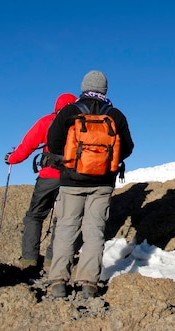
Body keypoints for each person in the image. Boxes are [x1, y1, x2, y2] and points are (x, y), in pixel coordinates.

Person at [46, 70, 134, 299]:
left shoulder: (69, 111)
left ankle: (58, 282)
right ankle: (88, 284)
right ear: (105, 89)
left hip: (71, 180)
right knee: (94, 231)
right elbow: (128, 147)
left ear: (83, 87)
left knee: (66, 228)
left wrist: (71, 159)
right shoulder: (115, 115)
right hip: (103, 183)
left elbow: (53, 142)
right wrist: (105, 161)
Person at [5, 92, 78, 272]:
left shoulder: (46, 121)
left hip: (48, 175)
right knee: (62, 219)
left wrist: (12, 159)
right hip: (71, 178)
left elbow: (27, 145)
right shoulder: (80, 124)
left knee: (34, 216)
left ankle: (29, 260)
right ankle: (52, 260)